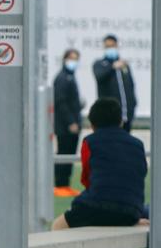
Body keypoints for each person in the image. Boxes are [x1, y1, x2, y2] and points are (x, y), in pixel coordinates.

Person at [51, 97, 148, 230]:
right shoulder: (138, 144)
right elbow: (140, 175)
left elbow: (86, 179)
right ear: (121, 122)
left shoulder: (89, 142)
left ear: (92, 125)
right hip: (132, 211)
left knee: (57, 226)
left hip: (97, 205)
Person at [52, 49, 83, 192]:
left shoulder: (71, 77)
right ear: (64, 59)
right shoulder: (62, 78)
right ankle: (60, 184)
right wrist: (71, 122)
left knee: (70, 153)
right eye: (71, 58)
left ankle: (66, 184)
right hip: (65, 126)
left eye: (76, 58)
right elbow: (60, 102)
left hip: (73, 124)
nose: (74, 62)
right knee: (64, 152)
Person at [92, 34, 136, 128]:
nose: (110, 49)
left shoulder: (124, 65)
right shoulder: (100, 64)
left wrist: (133, 104)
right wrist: (112, 67)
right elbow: (99, 77)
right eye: (108, 47)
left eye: (112, 46)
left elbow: (131, 85)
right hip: (109, 116)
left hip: (126, 115)